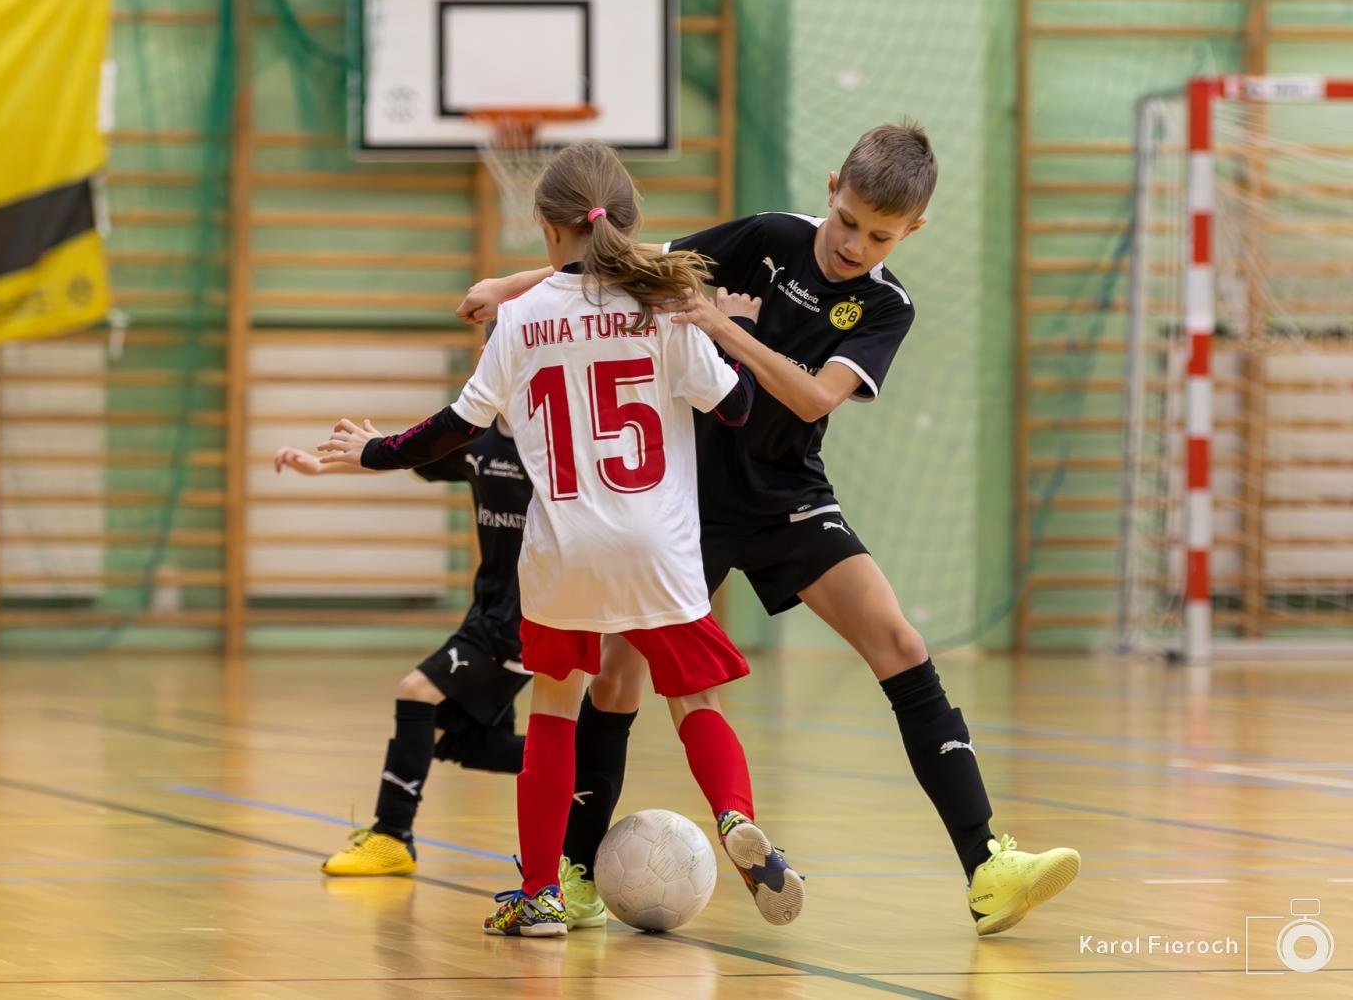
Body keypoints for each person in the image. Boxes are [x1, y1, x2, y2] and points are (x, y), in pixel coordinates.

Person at [455, 121, 1080, 938]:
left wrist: (723, 329)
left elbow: (816, 398)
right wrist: (514, 283)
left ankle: (987, 864)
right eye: (849, 219)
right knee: (615, 682)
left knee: (899, 643)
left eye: (879, 235)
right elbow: (623, 259)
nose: (854, 243)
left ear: (912, 232)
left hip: (786, 496)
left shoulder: (886, 306)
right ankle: (573, 875)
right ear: (832, 188)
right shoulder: (769, 237)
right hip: (682, 502)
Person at [318, 141, 803, 938]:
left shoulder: (520, 317)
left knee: (554, 712)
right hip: (659, 546)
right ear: (626, 222)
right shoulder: (666, 306)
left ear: (546, 230)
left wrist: (373, 452)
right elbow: (740, 410)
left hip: (565, 554)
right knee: (694, 701)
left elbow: (453, 430)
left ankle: (541, 893)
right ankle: (735, 819)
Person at [273, 420, 532, 876]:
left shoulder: (552, 445)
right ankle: (586, 764)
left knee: (416, 691)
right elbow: (406, 454)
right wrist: (320, 467)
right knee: (469, 743)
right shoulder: (477, 439)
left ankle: (392, 836)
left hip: (525, 618)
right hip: (486, 610)